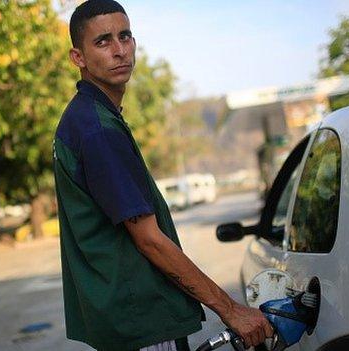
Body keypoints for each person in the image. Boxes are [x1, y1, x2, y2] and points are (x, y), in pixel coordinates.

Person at [53, 1, 273, 350]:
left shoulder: (91, 117)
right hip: (140, 318)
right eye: (103, 41)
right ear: (77, 57)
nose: (119, 50)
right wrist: (231, 310)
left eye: (125, 36)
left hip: (132, 317)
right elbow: (149, 239)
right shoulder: (97, 129)